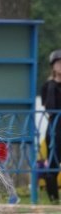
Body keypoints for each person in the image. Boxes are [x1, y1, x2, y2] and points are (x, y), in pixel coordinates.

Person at [41, 49, 61, 204]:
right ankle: (54, 198)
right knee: (53, 163)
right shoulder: (49, 85)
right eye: (58, 63)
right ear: (53, 66)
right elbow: (49, 107)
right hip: (55, 129)